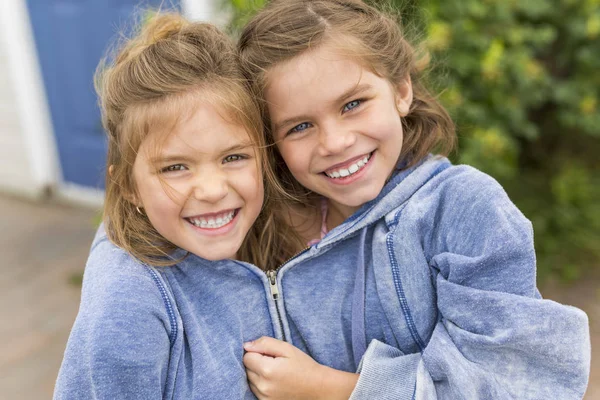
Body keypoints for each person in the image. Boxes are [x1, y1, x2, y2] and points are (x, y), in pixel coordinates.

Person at [237, 0, 591, 398]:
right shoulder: (262, 229)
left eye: (353, 104)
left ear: (401, 90)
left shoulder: (463, 209)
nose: (335, 142)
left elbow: (514, 383)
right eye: (300, 126)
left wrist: (330, 389)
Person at [53, 12, 303, 399]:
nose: (210, 189)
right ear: (130, 187)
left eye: (233, 157)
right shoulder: (127, 308)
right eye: (175, 167)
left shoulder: (280, 228)